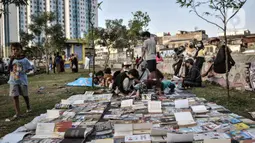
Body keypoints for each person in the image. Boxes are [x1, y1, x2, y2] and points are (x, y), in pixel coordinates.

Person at [8, 42, 32, 120]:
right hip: (13, 81)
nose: (15, 51)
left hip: (22, 81)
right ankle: (18, 113)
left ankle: (28, 106)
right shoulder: (11, 59)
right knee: (15, 96)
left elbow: (30, 68)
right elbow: (8, 69)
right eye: (13, 49)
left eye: (17, 49)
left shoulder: (24, 60)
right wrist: (11, 60)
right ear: (11, 50)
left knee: (25, 95)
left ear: (21, 50)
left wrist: (26, 71)